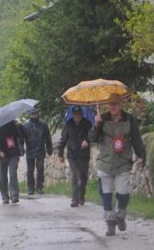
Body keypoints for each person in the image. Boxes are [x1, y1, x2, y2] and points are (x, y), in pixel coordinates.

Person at [89, 93, 145, 235]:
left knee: (123, 193)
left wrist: (141, 155)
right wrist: (96, 125)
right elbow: (92, 138)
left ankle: (120, 216)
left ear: (121, 105)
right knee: (106, 194)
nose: (112, 107)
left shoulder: (129, 119)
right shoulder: (102, 118)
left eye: (115, 104)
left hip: (123, 163)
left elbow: (136, 138)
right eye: (110, 104)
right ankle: (110, 223)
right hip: (105, 163)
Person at [57, 106, 92, 207]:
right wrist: (60, 153)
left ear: (81, 114)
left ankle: (81, 196)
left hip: (84, 155)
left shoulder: (87, 124)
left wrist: (87, 140)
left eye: (79, 114)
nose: (77, 116)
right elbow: (63, 139)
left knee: (83, 177)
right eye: (75, 114)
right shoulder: (68, 125)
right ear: (73, 115)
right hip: (72, 155)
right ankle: (74, 199)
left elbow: (92, 135)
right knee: (74, 176)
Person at [22, 107, 53, 195]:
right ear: (30, 115)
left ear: (38, 114)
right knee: (30, 170)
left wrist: (49, 149)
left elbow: (48, 138)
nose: (35, 115)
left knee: (40, 169)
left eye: (36, 113)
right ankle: (30, 188)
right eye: (33, 114)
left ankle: (39, 187)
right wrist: (21, 149)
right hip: (30, 150)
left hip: (40, 150)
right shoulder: (25, 126)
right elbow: (22, 139)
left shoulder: (43, 125)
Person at [0, 119, 24, 204]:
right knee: (3, 175)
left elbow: (20, 136)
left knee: (13, 173)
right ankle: (4, 196)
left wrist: (19, 126)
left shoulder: (14, 125)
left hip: (13, 153)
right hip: (2, 155)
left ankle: (14, 195)